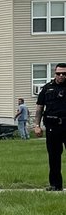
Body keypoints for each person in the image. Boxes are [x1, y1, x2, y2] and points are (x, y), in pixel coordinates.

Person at [34, 63, 66, 191]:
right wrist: (37, 125)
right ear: (55, 74)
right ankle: (55, 185)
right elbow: (40, 108)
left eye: (64, 73)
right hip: (53, 127)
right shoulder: (47, 88)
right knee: (54, 157)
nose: (61, 76)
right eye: (59, 73)